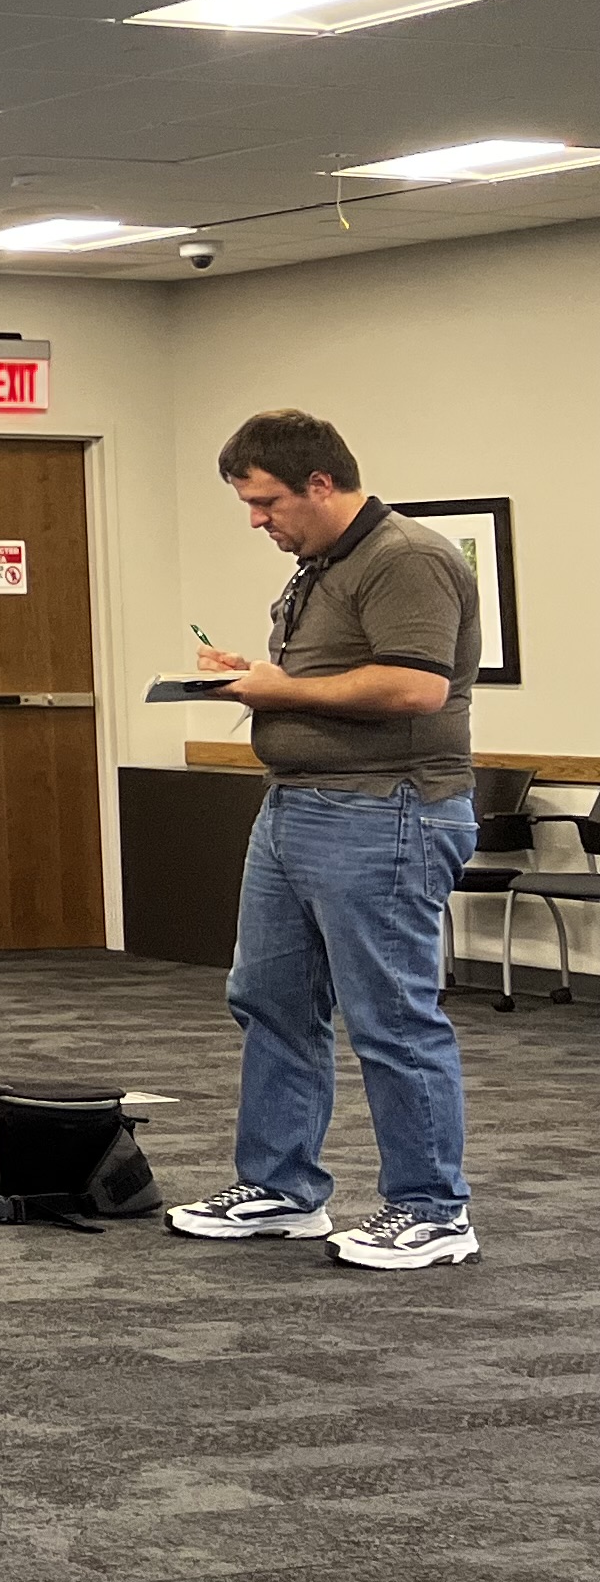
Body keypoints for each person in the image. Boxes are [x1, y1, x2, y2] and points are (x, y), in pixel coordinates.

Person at [168, 409, 484, 1271]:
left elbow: (416, 688)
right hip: (295, 808)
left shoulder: (406, 558)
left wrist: (283, 691)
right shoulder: (323, 564)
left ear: (320, 483)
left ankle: (432, 1209)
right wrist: (257, 679)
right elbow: (331, 677)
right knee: (269, 1000)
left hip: (385, 811)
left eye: (266, 502)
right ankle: (280, 1188)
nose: (256, 520)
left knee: (391, 1018)